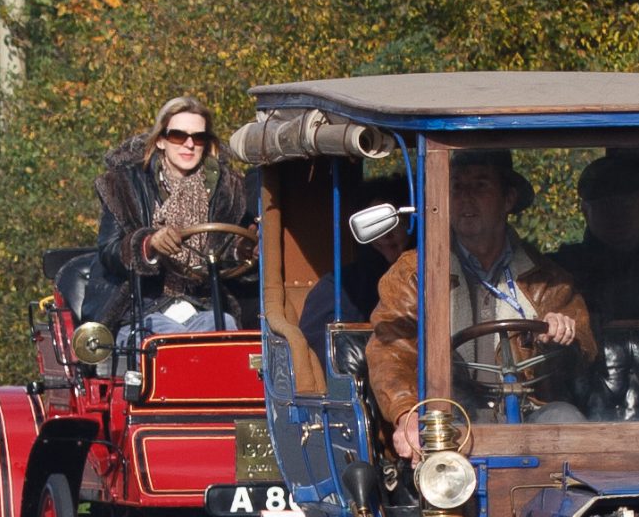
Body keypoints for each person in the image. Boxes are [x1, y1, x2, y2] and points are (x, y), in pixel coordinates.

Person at [367, 149, 597, 458]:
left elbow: (581, 352)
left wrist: (559, 336)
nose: (466, 198)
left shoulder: (547, 278)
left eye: (480, 185)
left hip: (530, 412)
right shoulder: (414, 273)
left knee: (566, 420)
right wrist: (406, 414)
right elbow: (391, 348)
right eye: (457, 187)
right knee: (438, 435)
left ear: (508, 199)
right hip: (450, 411)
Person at [93, 95, 257, 338]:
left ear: (207, 144)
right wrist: (149, 244)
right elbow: (109, 252)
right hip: (141, 307)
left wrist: (241, 250)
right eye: (178, 136)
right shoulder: (124, 185)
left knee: (227, 328)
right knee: (168, 339)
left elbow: (227, 250)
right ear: (161, 140)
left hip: (203, 304)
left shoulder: (229, 190)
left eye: (198, 138)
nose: (189, 145)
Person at [552, 150, 639, 327]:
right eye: (604, 207)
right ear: (585, 211)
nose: (616, 215)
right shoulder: (565, 269)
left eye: (625, 204)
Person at [297, 173, 408, 360]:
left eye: (394, 223)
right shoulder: (342, 286)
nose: (385, 235)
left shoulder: (436, 273)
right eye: (374, 226)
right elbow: (318, 345)